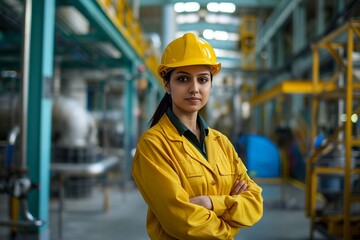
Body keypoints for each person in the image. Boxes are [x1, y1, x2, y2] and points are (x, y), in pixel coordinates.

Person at [132, 32, 263, 239]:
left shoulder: (222, 143)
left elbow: (255, 203)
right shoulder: (153, 145)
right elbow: (182, 222)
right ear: (167, 85)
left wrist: (211, 203)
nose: (194, 89)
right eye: (183, 79)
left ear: (210, 84)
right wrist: (230, 225)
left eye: (202, 79)